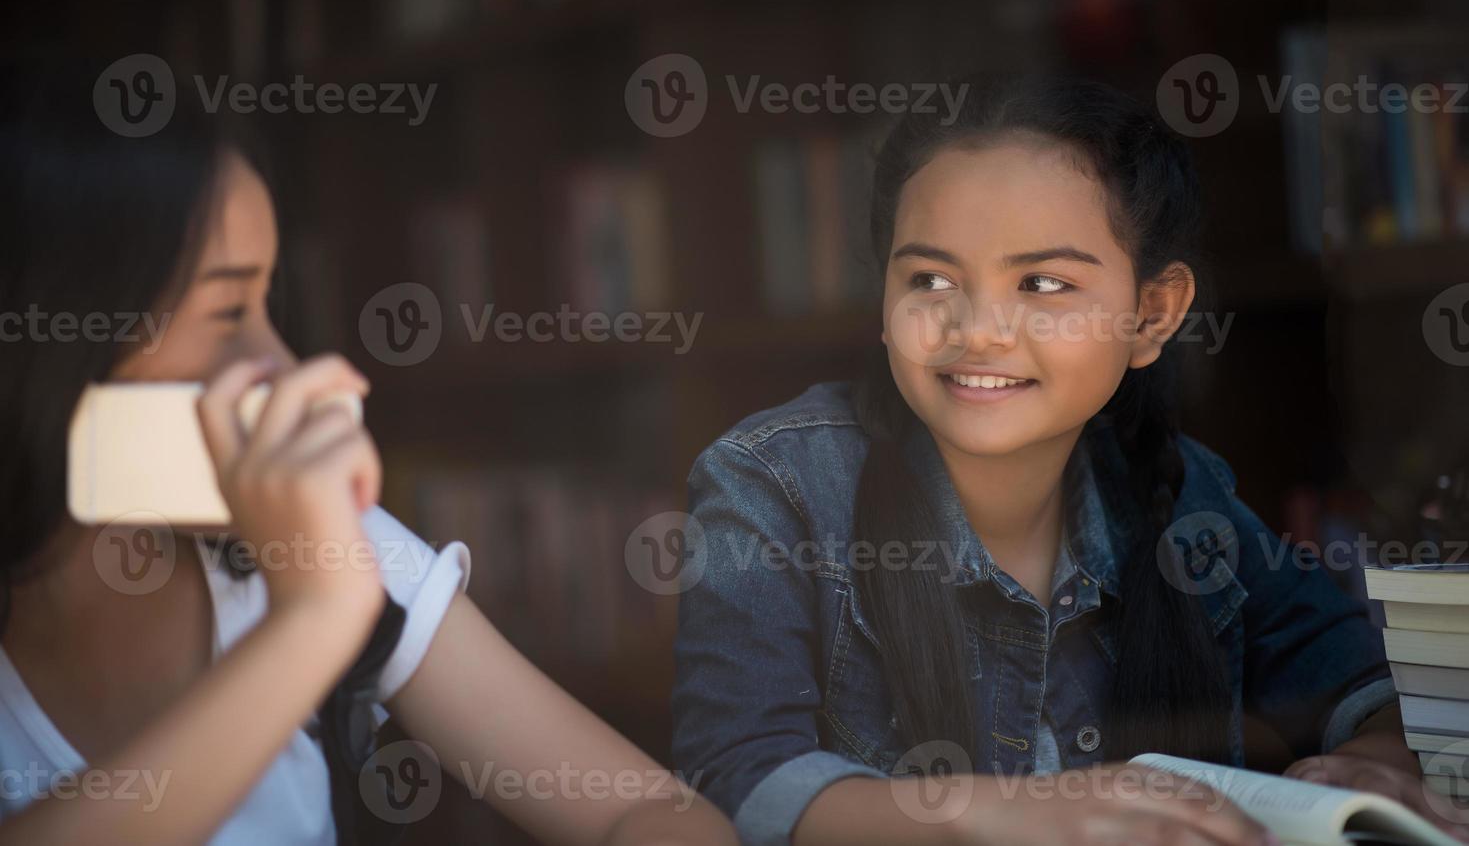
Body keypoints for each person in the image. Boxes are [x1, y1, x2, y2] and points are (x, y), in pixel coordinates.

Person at [670, 76, 1469, 845]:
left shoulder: (1179, 494)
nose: (977, 329)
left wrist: (1374, 764)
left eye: (1042, 282)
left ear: (1153, 316)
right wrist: (999, 815)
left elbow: (1366, 685)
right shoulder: (775, 483)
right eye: (930, 278)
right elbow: (735, 779)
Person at [0, 59, 735, 846]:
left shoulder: (305, 536)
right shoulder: (320, 577)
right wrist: (315, 621)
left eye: (267, 302)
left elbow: (646, 810)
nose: (286, 366)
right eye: (225, 311)